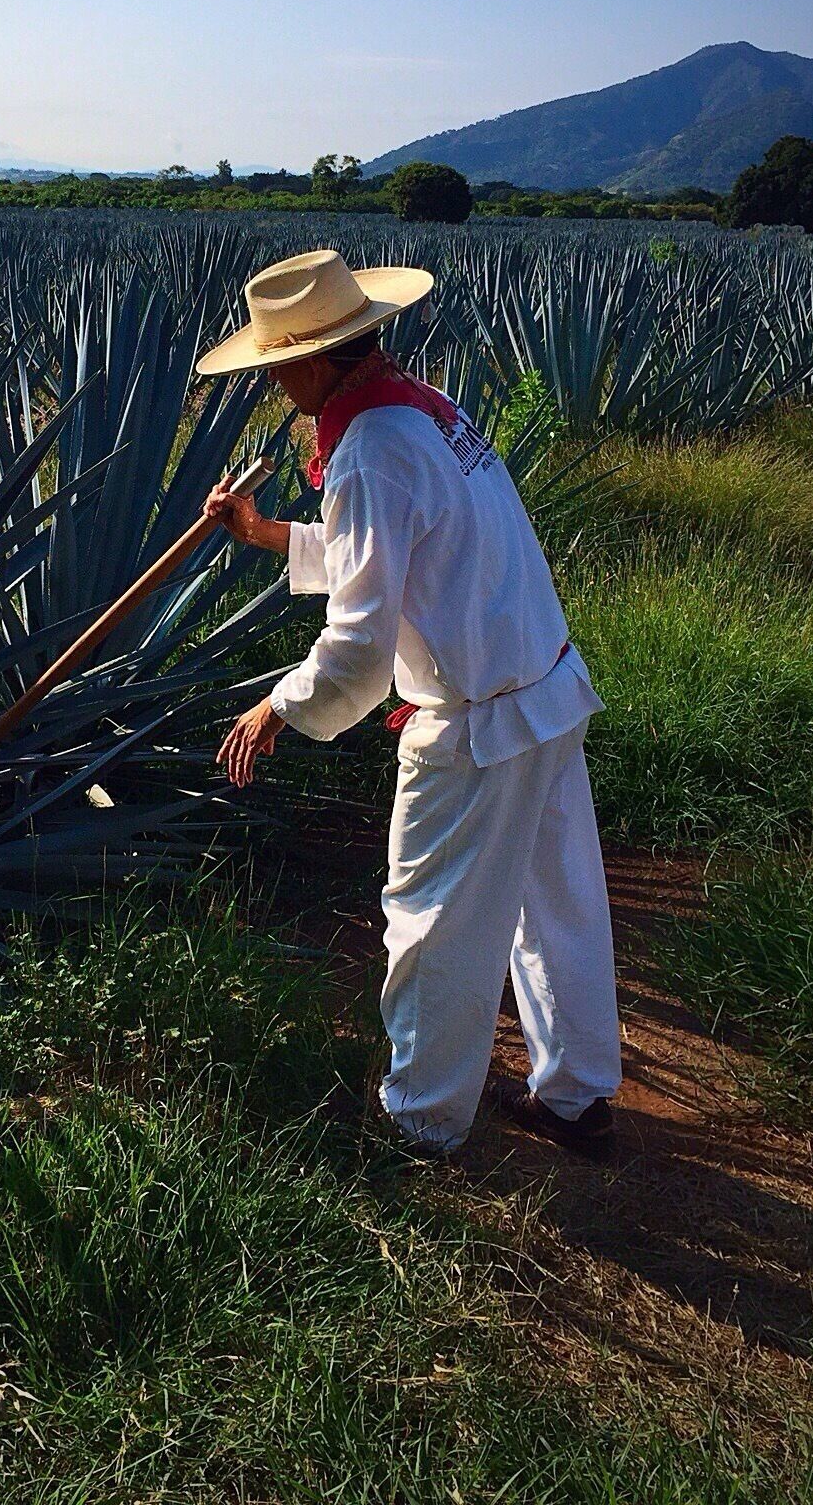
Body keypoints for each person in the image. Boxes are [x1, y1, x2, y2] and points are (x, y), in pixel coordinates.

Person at [197, 248, 622, 1159]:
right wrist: (267, 532)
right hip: (543, 687)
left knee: (433, 922)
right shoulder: (421, 409)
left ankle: (420, 1127)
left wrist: (276, 708)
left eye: (278, 362)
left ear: (317, 358)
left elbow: (357, 649)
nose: (272, 379)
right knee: (562, 906)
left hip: (476, 724)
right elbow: (398, 548)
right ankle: (578, 1097)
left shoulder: (368, 451)